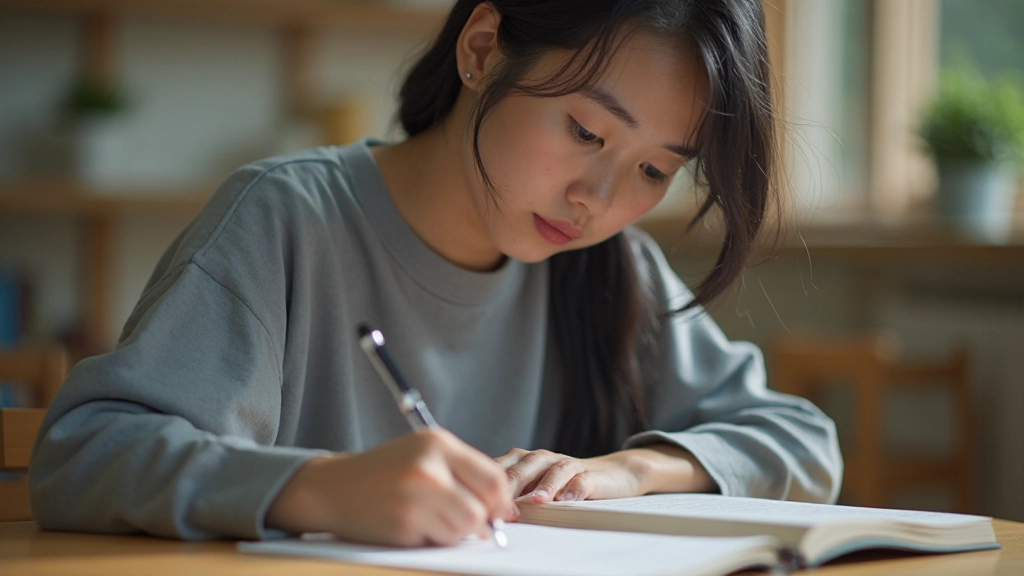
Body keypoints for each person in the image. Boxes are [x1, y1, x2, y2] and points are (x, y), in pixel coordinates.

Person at [29, 0, 842, 547]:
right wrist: (320, 488)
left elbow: (803, 443)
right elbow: (84, 455)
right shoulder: (287, 220)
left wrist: (627, 471)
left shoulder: (610, 264)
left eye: (656, 170)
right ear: (482, 50)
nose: (597, 200)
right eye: (586, 132)